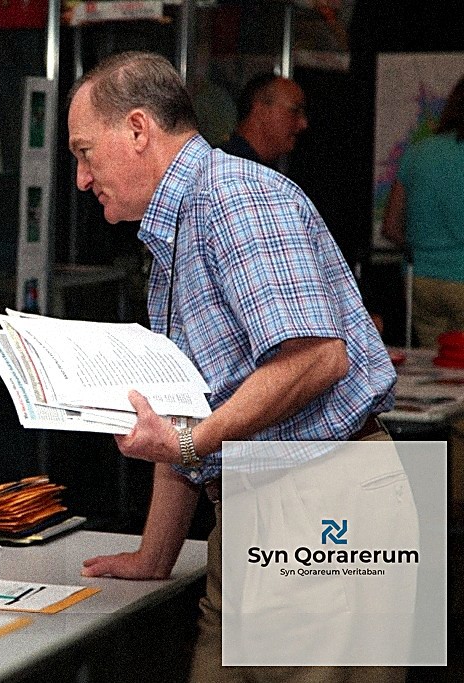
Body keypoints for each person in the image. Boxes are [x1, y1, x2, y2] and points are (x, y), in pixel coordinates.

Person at [67, 52, 402, 680]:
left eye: (86, 152)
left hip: (324, 502)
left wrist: (191, 439)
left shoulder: (234, 198)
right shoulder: (177, 227)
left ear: (138, 130)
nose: (83, 179)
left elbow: (317, 359)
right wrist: (154, 554)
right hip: (260, 503)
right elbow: (192, 414)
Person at [381, 73, 464, 348]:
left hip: (420, 280)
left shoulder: (417, 152)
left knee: (434, 368)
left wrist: (425, 248)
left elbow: (390, 227)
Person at [218, 72, 308, 167]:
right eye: (294, 111)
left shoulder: (260, 169)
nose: (303, 123)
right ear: (261, 111)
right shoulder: (227, 167)